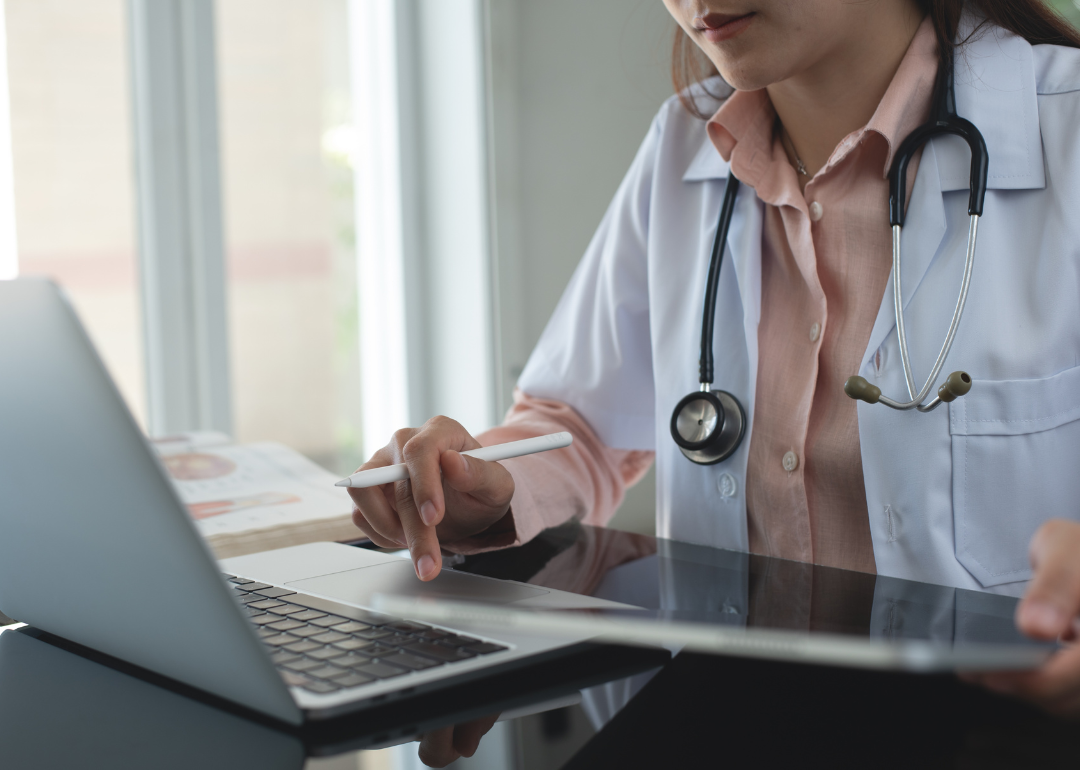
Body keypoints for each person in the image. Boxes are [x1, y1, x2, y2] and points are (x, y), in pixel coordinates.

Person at [349, 0, 1080, 717]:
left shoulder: (1067, 125)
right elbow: (581, 425)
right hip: (724, 716)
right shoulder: (684, 141)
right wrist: (484, 483)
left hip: (994, 731)